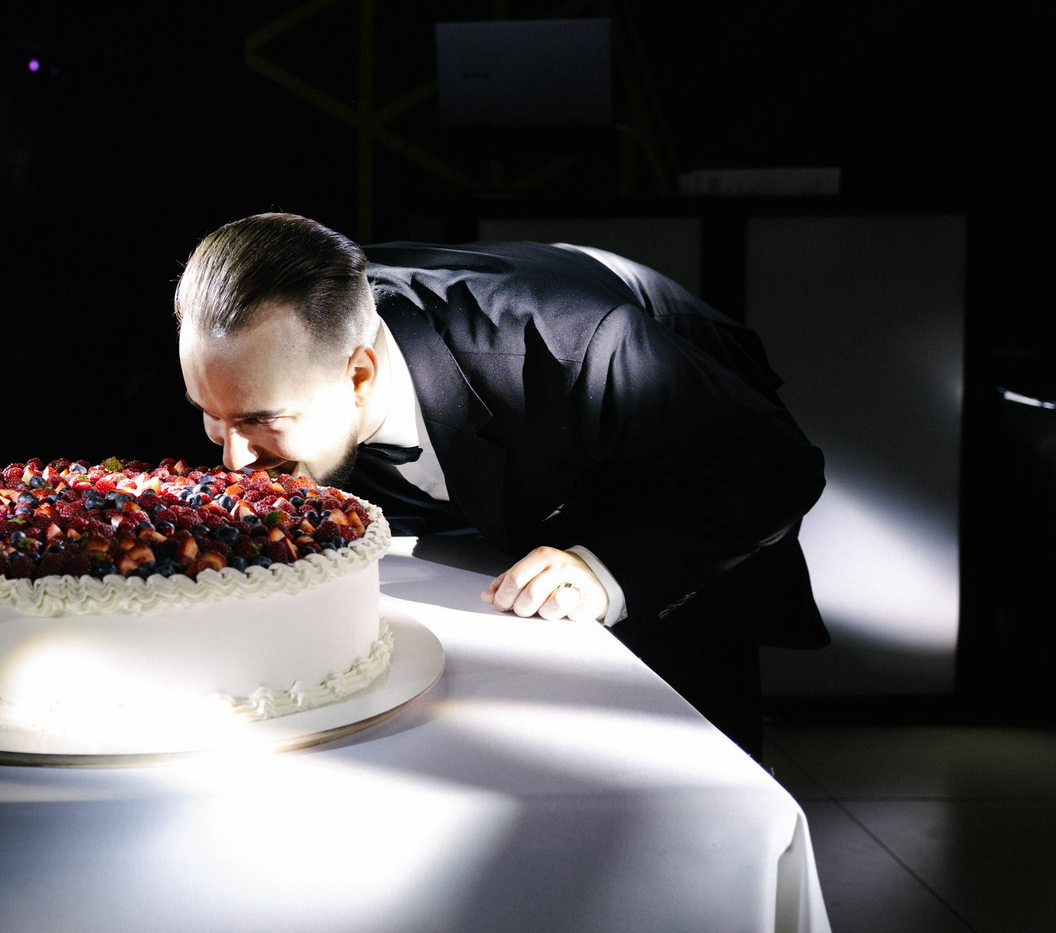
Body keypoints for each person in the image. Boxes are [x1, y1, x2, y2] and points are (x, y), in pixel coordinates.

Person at [173, 213, 827, 752]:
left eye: (259, 420)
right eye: (209, 414)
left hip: (663, 484)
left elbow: (779, 469)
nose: (232, 459)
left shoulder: (578, 349)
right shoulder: (288, 339)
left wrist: (608, 570)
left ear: (360, 377)